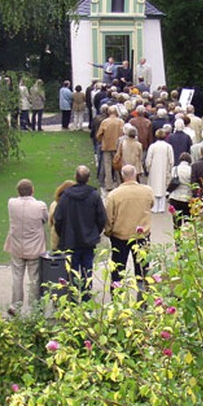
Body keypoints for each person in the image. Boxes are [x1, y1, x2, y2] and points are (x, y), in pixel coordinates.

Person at [53, 165, 106, 301]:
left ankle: (75, 298)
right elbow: (101, 218)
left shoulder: (66, 197)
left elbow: (58, 218)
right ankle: (87, 297)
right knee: (87, 270)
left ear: (76, 177)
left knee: (73, 271)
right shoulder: (94, 196)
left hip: (71, 240)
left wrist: (63, 234)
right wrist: (94, 232)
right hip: (88, 240)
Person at [105, 164, 154, 293]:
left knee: (118, 269)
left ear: (122, 175)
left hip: (120, 235)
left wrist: (109, 231)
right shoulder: (147, 191)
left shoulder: (114, 195)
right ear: (135, 174)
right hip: (141, 235)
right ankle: (143, 295)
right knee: (142, 268)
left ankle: (117, 296)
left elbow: (109, 217)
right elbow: (151, 204)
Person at [4, 178, 48, 314]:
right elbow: (45, 219)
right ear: (32, 190)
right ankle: (34, 306)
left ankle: (15, 305)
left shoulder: (12, 203)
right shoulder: (40, 206)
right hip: (34, 247)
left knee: (17, 277)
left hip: (17, 246)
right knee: (34, 278)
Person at [96, 106, 125, 191]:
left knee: (107, 166)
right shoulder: (120, 122)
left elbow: (98, 134)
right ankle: (119, 183)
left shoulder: (105, 122)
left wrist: (103, 140)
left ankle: (109, 184)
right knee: (118, 166)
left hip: (107, 146)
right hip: (118, 147)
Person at [145, 129, 174, 213]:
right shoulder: (168, 146)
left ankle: (154, 207)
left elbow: (148, 159)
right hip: (164, 169)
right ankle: (161, 207)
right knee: (163, 187)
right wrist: (170, 168)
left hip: (154, 169)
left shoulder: (153, 146)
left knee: (154, 187)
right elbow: (171, 160)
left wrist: (148, 168)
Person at [48, 180, 75, 252]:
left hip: (57, 242)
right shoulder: (78, 205)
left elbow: (50, 223)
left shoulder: (54, 204)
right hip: (74, 243)